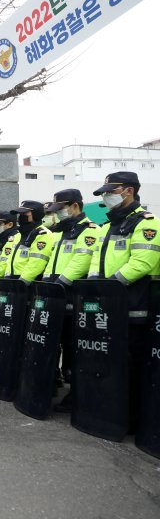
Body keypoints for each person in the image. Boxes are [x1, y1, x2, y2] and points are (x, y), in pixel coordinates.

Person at [88, 172, 160, 426]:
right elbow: (96, 261)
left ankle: (131, 416)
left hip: (133, 306)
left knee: (131, 364)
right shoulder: (108, 226)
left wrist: (108, 286)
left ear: (128, 190)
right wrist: (95, 286)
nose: (106, 197)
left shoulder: (147, 223)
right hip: (107, 306)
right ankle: (111, 409)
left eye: (111, 191)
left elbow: (142, 263)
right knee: (109, 362)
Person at [38, 189, 99, 412]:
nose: (58, 214)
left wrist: (61, 282)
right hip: (56, 295)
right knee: (59, 341)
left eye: (61, 209)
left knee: (75, 346)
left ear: (74, 206)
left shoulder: (89, 230)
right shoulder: (62, 231)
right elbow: (51, 261)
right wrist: (47, 282)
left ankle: (77, 393)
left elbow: (82, 260)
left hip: (73, 295)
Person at [8, 200, 56, 282]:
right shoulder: (20, 234)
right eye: (20, 214)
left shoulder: (42, 234)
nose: (21, 216)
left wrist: (22, 282)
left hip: (27, 283)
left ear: (36, 214)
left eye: (25, 213)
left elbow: (36, 264)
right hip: (13, 282)